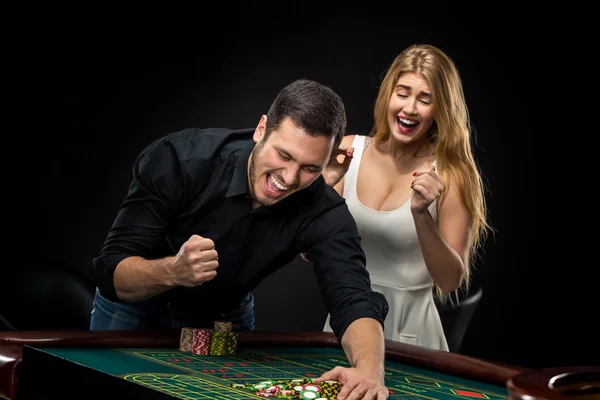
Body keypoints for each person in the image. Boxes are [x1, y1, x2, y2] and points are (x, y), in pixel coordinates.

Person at [88, 78, 390, 399]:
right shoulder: (181, 160)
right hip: (136, 307)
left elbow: (352, 297)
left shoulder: (323, 210)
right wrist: (173, 271)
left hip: (223, 317)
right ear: (262, 129)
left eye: (309, 168)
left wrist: (369, 372)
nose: (289, 178)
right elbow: (111, 274)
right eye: (283, 155)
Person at [322, 44, 491, 351]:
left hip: (413, 334)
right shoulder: (347, 153)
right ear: (388, 94)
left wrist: (421, 214)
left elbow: (450, 280)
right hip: (345, 323)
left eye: (424, 99)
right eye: (403, 93)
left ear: (440, 109)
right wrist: (323, 190)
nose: (410, 108)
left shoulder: (452, 174)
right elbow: (311, 252)